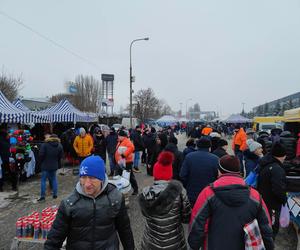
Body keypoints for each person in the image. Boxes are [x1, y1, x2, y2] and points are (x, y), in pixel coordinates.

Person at [44, 155, 135, 249]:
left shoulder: (115, 198)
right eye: (83, 177)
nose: (87, 184)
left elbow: (125, 230)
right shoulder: (69, 204)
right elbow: (54, 239)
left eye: (92, 178)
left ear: (102, 179)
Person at [188, 155, 274, 250]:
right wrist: (269, 245)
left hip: (213, 245)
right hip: (245, 246)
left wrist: (194, 244)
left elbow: (197, 222)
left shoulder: (208, 193)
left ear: (219, 171)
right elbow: (266, 225)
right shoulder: (255, 195)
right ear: (239, 172)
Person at [139, 151, 191, 250]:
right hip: (174, 241)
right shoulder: (180, 193)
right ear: (170, 173)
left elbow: (145, 214)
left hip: (151, 242)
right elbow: (186, 218)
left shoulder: (145, 194)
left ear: (155, 174)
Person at [257, 143, 287, 238]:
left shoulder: (266, 163)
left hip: (263, 200)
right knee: (272, 228)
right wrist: (284, 199)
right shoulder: (277, 169)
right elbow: (278, 189)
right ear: (282, 156)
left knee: (266, 225)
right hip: (272, 204)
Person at [180, 137, 219, 207]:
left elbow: (182, 175)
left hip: (192, 192)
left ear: (197, 146)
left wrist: (188, 185)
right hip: (209, 193)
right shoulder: (215, 159)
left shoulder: (189, 157)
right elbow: (218, 177)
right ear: (209, 147)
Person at [37, 134, 64, 201]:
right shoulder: (59, 145)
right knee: (54, 179)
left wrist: (40, 162)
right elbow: (61, 156)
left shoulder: (45, 145)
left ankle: (42, 196)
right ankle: (55, 194)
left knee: (43, 180)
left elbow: (41, 154)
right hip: (54, 165)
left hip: (45, 165)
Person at [115, 130, 139, 195]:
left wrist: (124, 154)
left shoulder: (127, 141)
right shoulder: (120, 141)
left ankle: (136, 189)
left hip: (127, 162)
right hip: (120, 162)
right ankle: (120, 190)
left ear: (123, 136)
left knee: (130, 176)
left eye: (119, 136)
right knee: (118, 176)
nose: (118, 137)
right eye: (118, 136)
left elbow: (132, 147)